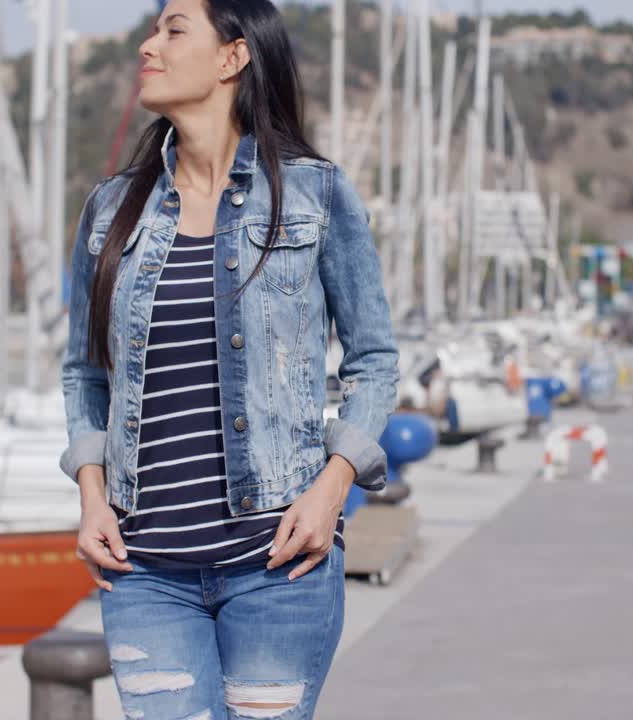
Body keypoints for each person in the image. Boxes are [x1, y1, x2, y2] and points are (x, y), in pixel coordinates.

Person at [58, 0, 398, 717]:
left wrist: (332, 490)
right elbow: (85, 373)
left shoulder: (314, 193)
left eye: (173, 29)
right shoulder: (112, 209)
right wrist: (91, 496)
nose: (148, 45)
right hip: (145, 573)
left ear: (232, 56)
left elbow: (373, 360)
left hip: (277, 568)